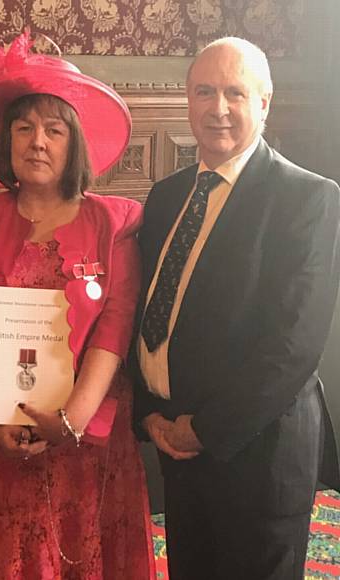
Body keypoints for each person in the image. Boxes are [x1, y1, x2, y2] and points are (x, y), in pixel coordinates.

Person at [0, 32, 155, 579]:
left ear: (73, 143)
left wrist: (71, 419)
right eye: (24, 127)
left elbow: (115, 325)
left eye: (53, 130)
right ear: (6, 141)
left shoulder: (115, 221)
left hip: (87, 436)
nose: (37, 142)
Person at [132, 36, 340, 580]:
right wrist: (148, 410)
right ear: (187, 99)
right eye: (204, 91)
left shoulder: (309, 199)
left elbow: (292, 347)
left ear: (264, 104)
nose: (217, 108)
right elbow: (146, 308)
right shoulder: (166, 196)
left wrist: (204, 429)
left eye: (234, 93)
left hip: (256, 454)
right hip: (176, 442)